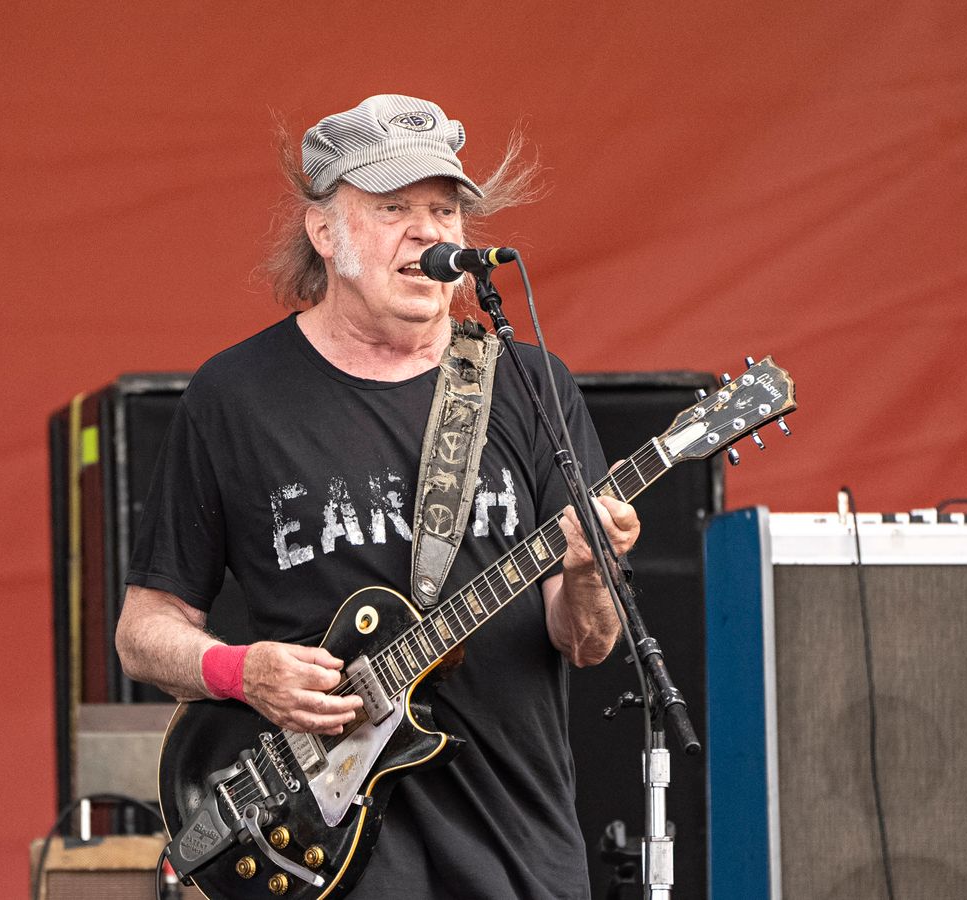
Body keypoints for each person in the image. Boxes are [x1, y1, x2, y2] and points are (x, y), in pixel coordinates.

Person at [115, 94, 641, 899]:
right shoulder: (236, 396)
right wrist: (238, 669)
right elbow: (143, 633)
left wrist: (590, 573)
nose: (430, 231)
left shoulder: (530, 388)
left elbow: (588, 644)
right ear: (325, 233)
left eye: (444, 209)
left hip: (517, 849)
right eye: (395, 207)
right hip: (322, 852)